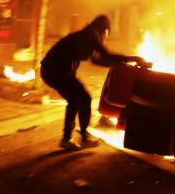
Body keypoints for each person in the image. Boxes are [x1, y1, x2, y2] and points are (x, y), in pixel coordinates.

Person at [41, 14, 150, 151]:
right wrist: (134, 58)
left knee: (75, 100)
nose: (105, 38)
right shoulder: (91, 35)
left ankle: (66, 139)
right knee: (84, 99)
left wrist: (119, 65)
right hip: (56, 71)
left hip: (52, 70)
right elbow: (107, 55)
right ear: (103, 30)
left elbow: (97, 60)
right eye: (106, 34)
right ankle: (84, 138)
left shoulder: (87, 35)